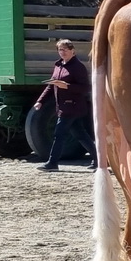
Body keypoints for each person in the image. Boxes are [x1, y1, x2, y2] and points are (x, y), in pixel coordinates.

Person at [34, 40, 97, 171]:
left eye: (65, 50)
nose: (62, 52)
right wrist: (40, 101)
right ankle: (99, 159)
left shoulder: (78, 67)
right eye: (60, 50)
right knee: (80, 134)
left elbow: (85, 88)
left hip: (72, 107)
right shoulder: (58, 65)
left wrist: (67, 86)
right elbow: (51, 86)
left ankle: (52, 163)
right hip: (62, 106)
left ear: (73, 51)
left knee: (59, 134)